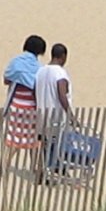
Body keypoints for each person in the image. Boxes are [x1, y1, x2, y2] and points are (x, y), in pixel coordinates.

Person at [35, 42, 78, 179]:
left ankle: (47, 171)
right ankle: (57, 170)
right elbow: (62, 94)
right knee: (58, 145)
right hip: (56, 115)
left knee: (46, 143)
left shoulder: (41, 71)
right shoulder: (60, 72)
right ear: (63, 56)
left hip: (42, 113)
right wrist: (71, 116)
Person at [2, 35, 45, 164]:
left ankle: (5, 164)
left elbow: (6, 79)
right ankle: (35, 167)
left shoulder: (16, 62)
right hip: (32, 107)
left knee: (14, 137)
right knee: (34, 139)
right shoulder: (39, 67)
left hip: (16, 106)